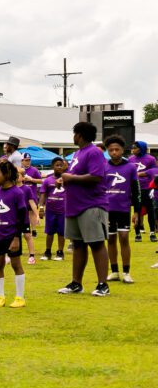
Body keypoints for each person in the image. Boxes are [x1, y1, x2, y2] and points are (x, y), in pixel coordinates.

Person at [58, 122, 111, 296]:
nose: (73, 137)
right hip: (74, 205)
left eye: (74, 134)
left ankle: (103, 284)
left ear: (79, 135)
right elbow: (76, 175)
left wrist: (71, 178)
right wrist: (66, 179)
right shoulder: (78, 154)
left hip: (91, 205)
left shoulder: (94, 152)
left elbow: (96, 177)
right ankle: (76, 283)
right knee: (78, 244)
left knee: (96, 243)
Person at [0, 160, 27, 308]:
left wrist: (17, 237)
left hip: (12, 235)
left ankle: (20, 298)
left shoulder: (17, 193)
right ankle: (0, 297)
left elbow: (22, 217)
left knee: (16, 264)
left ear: (8, 174)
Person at [104, 135, 139, 284]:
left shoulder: (131, 167)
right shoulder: (104, 166)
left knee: (124, 238)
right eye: (111, 150)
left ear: (122, 150)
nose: (114, 152)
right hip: (107, 209)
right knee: (111, 239)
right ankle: (114, 271)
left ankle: (126, 272)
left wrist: (136, 212)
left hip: (124, 209)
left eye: (116, 149)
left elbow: (136, 190)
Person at [128, 141, 157, 242]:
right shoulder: (130, 159)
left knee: (151, 211)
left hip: (148, 189)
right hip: (136, 189)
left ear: (141, 148)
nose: (133, 150)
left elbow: (155, 172)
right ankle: (137, 234)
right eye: (132, 148)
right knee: (137, 211)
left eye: (135, 148)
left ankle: (152, 233)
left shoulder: (151, 159)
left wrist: (142, 174)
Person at [39, 157, 67, 261]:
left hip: (63, 210)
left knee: (61, 232)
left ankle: (60, 252)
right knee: (49, 232)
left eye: (61, 165)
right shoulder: (47, 180)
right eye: (57, 165)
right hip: (50, 210)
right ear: (52, 167)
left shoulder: (67, 180)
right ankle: (47, 252)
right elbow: (43, 194)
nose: (59, 167)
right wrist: (41, 207)